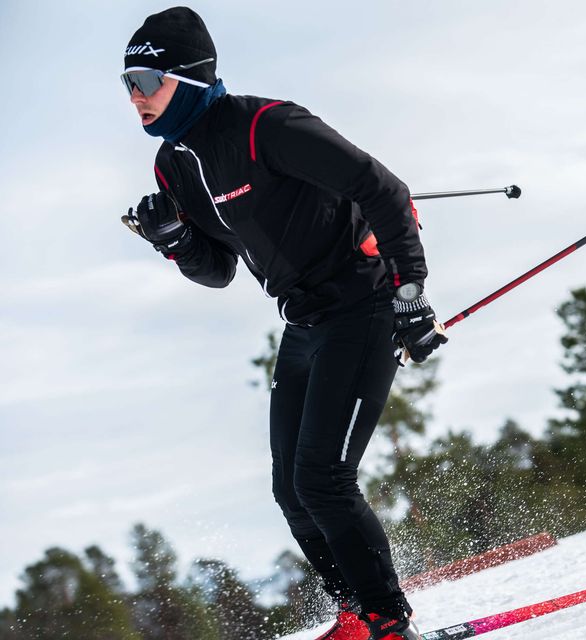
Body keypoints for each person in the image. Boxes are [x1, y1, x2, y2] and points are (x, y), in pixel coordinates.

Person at [120, 8, 445, 640]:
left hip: (364, 305)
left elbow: (385, 189)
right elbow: (217, 271)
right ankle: (356, 612)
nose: (133, 98)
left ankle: (388, 620)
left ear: (184, 77)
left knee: (323, 479)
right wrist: (175, 240)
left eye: (144, 79)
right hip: (303, 323)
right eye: (125, 85)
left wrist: (410, 293)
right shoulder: (174, 167)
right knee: (291, 490)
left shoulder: (266, 125)